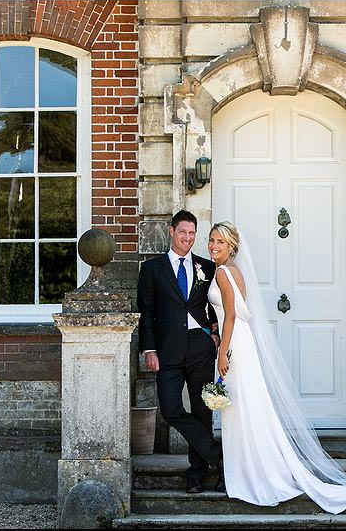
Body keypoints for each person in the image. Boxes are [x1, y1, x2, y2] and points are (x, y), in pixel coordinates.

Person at [206, 221, 346, 514]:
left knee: (241, 409)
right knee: (247, 407)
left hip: (234, 344)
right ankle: (252, 468)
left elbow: (230, 315)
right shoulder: (234, 270)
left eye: (220, 241)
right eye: (211, 240)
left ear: (232, 246)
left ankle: (249, 475)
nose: (213, 246)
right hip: (240, 341)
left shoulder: (223, 272)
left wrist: (222, 352)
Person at [137, 210, 225, 494]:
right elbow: (146, 311)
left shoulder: (206, 268)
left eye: (192, 233)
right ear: (171, 231)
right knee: (171, 409)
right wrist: (149, 349)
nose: (187, 238)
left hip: (200, 348)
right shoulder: (152, 269)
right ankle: (218, 456)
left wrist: (215, 335)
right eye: (183, 232)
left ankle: (196, 476)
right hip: (167, 350)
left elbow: (216, 305)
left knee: (202, 411)